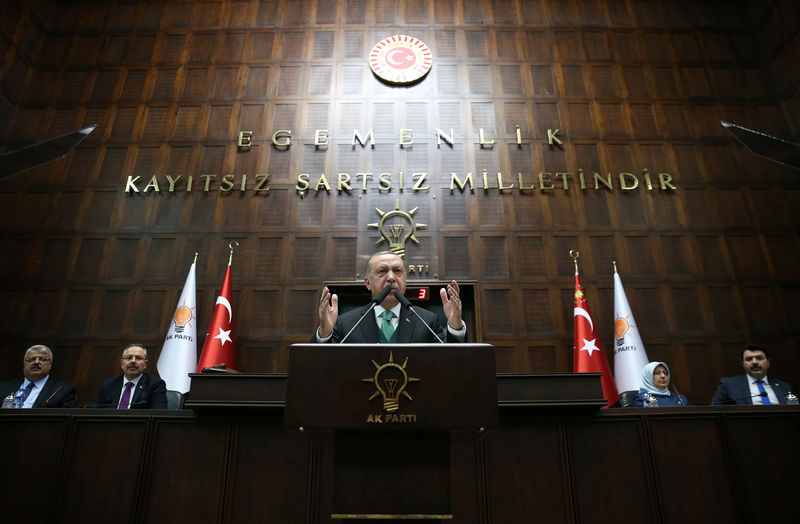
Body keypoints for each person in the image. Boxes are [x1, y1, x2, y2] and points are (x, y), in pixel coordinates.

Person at [314, 251, 466, 344]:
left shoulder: (427, 321)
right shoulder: (346, 323)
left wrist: (455, 327)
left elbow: (450, 364)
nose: (391, 278)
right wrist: (324, 334)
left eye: (397, 271)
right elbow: (322, 366)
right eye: (382, 271)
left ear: (405, 280)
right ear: (367, 283)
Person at [91, 343, 167, 409]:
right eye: (128, 358)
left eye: (138, 358)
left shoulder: (155, 385)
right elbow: (93, 412)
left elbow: (158, 413)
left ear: (145, 364)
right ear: (121, 363)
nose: (133, 361)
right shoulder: (108, 385)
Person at [711, 344, 793, 405]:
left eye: (759, 358)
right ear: (743, 364)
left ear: (768, 363)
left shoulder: (784, 386)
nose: (754, 362)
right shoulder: (729, 385)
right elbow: (715, 411)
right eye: (749, 359)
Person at [0, 345, 76, 408]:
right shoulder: (3, 388)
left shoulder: (63, 390)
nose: (36, 362)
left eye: (42, 359)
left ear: (50, 364)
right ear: (24, 364)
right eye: (31, 359)